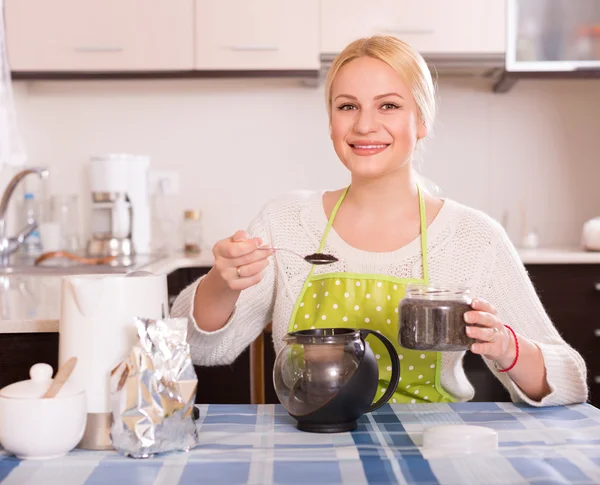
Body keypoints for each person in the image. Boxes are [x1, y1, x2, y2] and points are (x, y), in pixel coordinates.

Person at [172, 35, 588, 406]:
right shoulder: (286, 221)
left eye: (388, 105)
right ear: (331, 121)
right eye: (347, 106)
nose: (365, 124)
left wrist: (507, 347)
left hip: (433, 452)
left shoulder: (473, 238)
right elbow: (200, 348)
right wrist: (221, 283)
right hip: (310, 446)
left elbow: (570, 381)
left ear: (422, 121)